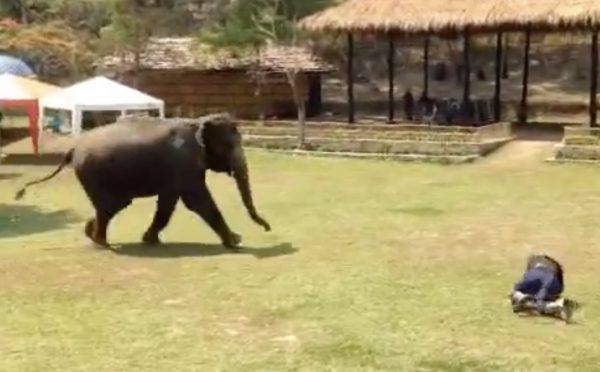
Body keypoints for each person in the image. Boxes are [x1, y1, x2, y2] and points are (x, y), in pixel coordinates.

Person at [510, 253, 578, 322]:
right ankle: (549, 305)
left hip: (534, 276)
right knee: (541, 298)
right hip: (552, 280)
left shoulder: (533, 262)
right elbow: (559, 284)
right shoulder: (553, 266)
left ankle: (535, 304)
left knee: (516, 293)